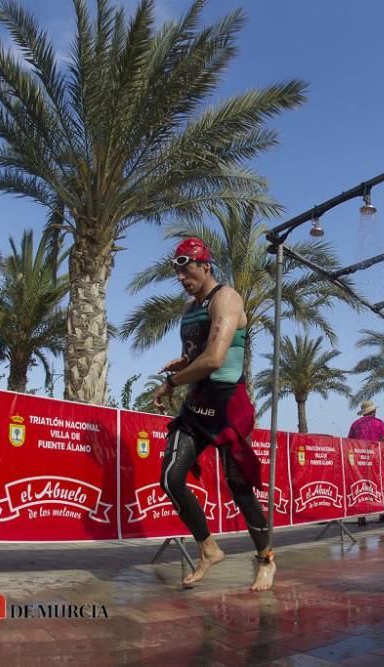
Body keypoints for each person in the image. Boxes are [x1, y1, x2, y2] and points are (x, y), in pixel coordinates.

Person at [152, 237, 275, 591]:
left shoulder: (227, 298)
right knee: (171, 477)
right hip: (196, 405)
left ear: (205, 265)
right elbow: (198, 355)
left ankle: (266, 558)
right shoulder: (190, 308)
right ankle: (208, 548)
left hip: (227, 407)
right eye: (176, 271)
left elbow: (215, 359)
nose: (180, 277)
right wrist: (184, 362)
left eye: (186, 268)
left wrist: (170, 383)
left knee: (240, 488)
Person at [349, 400, 384, 525]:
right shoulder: (379, 423)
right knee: (380, 485)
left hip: (360, 460)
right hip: (376, 459)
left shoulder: (355, 425)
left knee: (361, 487)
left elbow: (350, 442)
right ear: (374, 411)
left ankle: (361, 516)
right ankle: (383, 513)